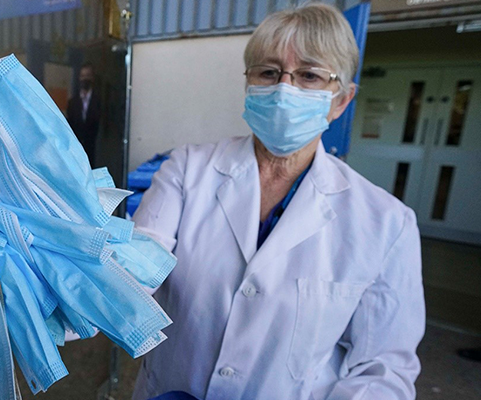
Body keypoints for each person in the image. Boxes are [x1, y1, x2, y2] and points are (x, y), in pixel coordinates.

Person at [131, 3, 425, 400]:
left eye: (309, 75)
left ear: (341, 100)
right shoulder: (186, 170)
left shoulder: (386, 222)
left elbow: (382, 368)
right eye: (269, 72)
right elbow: (136, 268)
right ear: (249, 85)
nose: (285, 89)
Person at [66, 63, 101, 166]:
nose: (85, 79)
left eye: (87, 75)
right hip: (76, 151)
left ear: (92, 78)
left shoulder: (99, 101)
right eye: (82, 76)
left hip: (94, 151)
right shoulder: (73, 102)